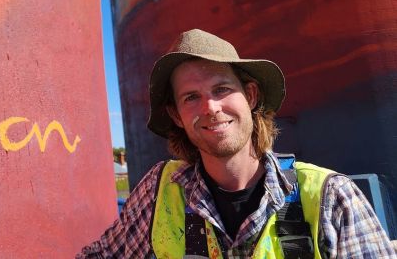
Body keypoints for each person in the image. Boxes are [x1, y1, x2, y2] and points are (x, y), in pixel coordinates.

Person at [78, 29, 396, 258]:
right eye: (192, 97)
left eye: (222, 89)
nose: (211, 108)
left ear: (251, 96)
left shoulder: (330, 198)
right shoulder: (160, 192)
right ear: (176, 115)